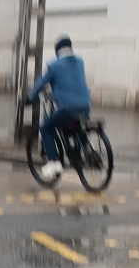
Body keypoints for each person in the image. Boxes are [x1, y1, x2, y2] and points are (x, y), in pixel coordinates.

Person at [25, 36, 91, 180]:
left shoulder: (54, 65)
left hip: (67, 107)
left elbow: (40, 84)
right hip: (86, 105)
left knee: (46, 128)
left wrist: (29, 98)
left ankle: (55, 162)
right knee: (74, 124)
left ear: (57, 50)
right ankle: (85, 148)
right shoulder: (80, 61)